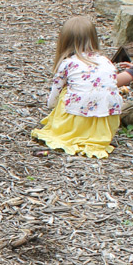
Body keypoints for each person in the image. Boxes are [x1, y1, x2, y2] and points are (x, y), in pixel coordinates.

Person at [31, 16, 123, 159]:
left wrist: (52, 107)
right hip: (106, 118)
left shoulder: (68, 63)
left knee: (68, 91)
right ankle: (93, 134)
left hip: (77, 117)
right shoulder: (106, 61)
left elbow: (55, 93)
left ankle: (72, 132)